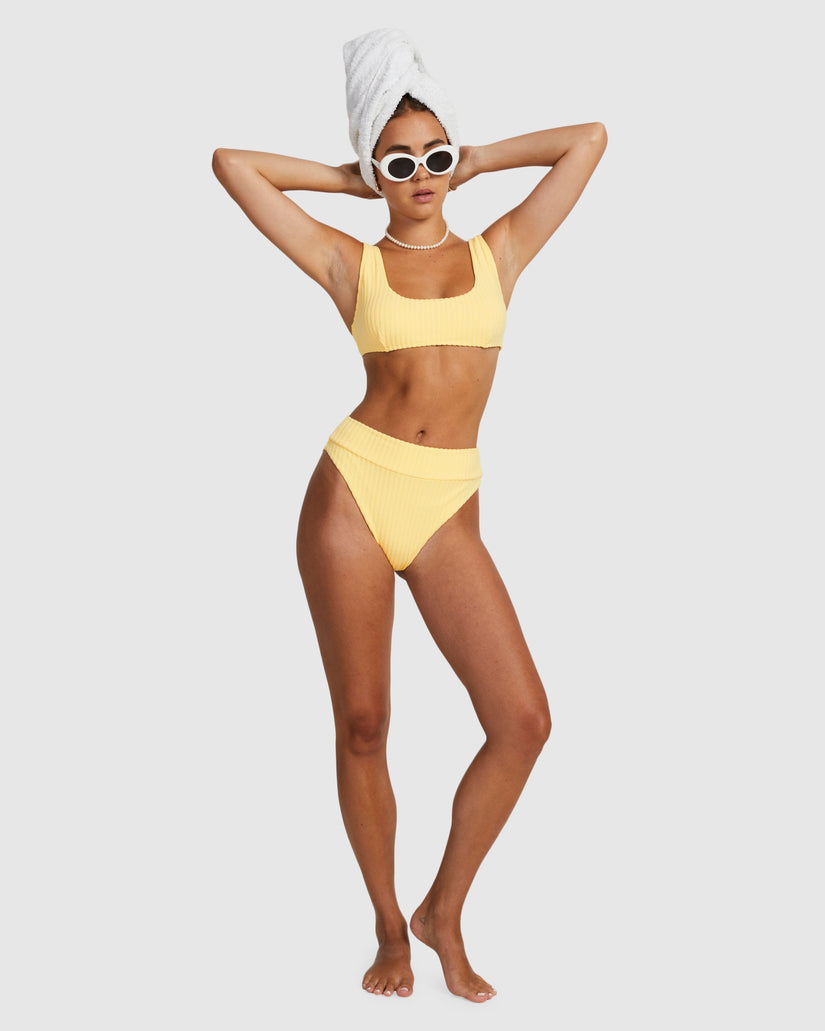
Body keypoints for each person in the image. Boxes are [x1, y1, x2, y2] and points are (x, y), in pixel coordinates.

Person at [212, 27, 606, 1003]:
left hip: (447, 507)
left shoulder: (499, 249)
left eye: (434, 157)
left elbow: (588, 140)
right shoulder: (349, 261)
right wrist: (348, 182)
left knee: (522, 720)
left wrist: (477, 159)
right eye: (400, 162)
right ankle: (390, 925)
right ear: (374, 167)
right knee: (362, 723)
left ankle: (443, 911)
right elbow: (231, 164)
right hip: (352, 493)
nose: (421, 176)